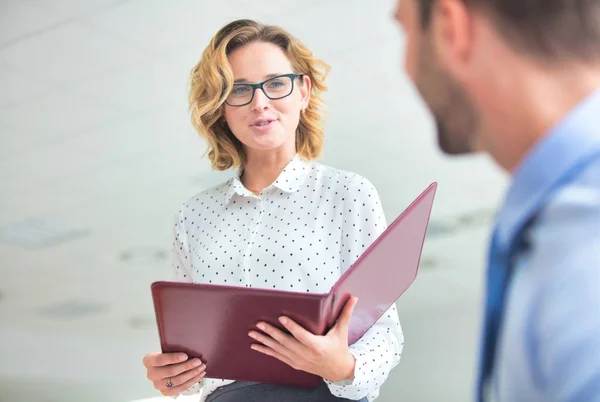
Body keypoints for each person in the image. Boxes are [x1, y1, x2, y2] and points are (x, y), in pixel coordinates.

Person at [142, 19, 404, 402]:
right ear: (221, 106)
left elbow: (385, 330)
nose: (259, 103)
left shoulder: (347, 193)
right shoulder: (193, 215)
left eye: (275, 84)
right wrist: (173, 372)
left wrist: (345, 367)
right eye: (239, 90)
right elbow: (196, 351)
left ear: (303, 90)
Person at [394, 0, 600, 401]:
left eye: (404, 33)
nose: (405, 67)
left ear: (450, 27)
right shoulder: (555, 222)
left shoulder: (586, 233)